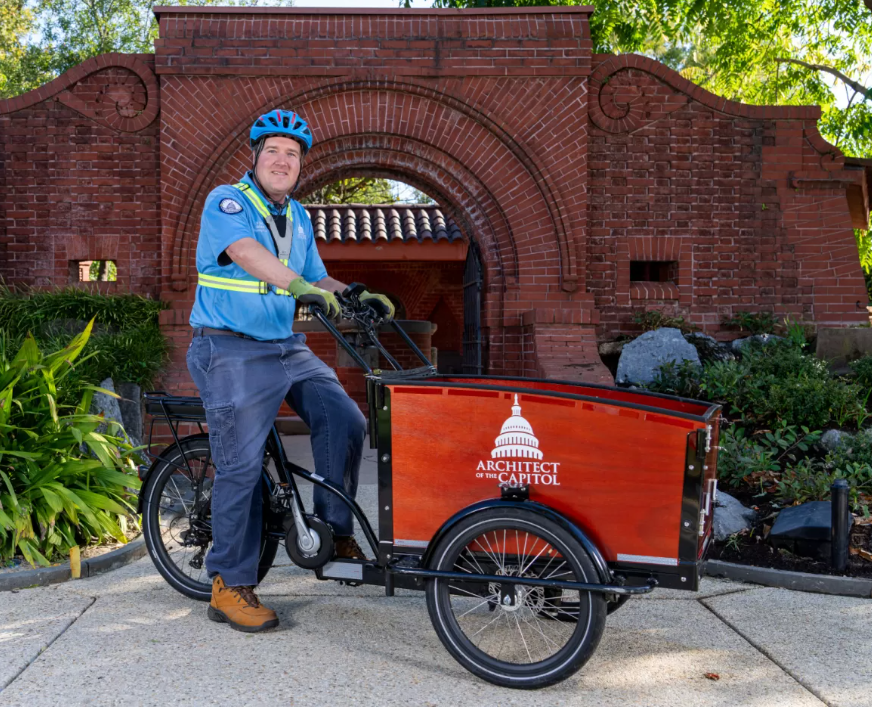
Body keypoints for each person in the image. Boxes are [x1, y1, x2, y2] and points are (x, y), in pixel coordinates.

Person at [186, 109, 395, 633]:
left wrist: (353, 294)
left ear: (301, 166)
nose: (283, 160)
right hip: (229, 349)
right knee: (240, 464)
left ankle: (331, 531)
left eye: (293, 154)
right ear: (255, 157)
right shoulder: (227, 201)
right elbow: (246, 253)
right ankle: (228, 584)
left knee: (345, 417)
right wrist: (295, 286)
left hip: (285, 346)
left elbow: (314, 274)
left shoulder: (298, 215)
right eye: (274, 151)